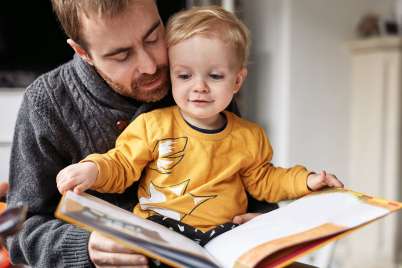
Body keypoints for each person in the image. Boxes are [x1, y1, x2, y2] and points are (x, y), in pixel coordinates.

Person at [6, 1, 269, 267]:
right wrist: (84, 246)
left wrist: (265, 222)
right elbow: (19, 230)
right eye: (122, 55)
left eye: (154, 37)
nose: (151, 66)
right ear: (82, 52)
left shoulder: (197, 80)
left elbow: (251, 183)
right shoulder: (45, 104)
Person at [56, 5, 343, 247]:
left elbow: (265, 181)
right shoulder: (152, 125)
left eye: (215, 76)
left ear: (238, 81)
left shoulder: (249, 136)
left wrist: (306, 181)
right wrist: (93, 170)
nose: (199, 88)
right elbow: (121, 165)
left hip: (221, 238)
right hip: (160, 233)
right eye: (184, 76)